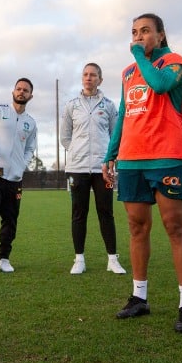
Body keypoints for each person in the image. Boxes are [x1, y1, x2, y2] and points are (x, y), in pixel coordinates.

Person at [103, 13, 182, 333]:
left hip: (166, 156)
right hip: (132, 160)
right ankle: (139, 297)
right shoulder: (127, 72)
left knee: (175, 227)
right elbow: (123, 116)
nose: (138, 37)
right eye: (134, 32)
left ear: (160, 36)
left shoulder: (173, 62)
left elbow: (159, 86)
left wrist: (138, 55)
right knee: (136, 227)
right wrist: (111, 152)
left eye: (145, 31)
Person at [60, 63, 126, 275]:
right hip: (76, 168)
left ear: (100, 79)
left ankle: (112, 259)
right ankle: (79, 259)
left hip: (103, 168)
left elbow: (116, 135)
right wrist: (78, 152)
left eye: (93, 75)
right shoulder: (71, 105)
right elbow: (65, 137)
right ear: (82, 78)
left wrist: (108, 158)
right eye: (85, 74)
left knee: (106, 212)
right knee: (79, 213)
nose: (88, 78)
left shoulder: (108, 105)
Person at [0, 78, 38, 274]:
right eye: (18, 89)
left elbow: (30, 148)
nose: (21, 92)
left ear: (30, 95)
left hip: (15, 177)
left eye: (25, 90)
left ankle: (4, 257)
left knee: (11, 219)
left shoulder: (31, 122)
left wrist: (22, 165)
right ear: (13, 91)